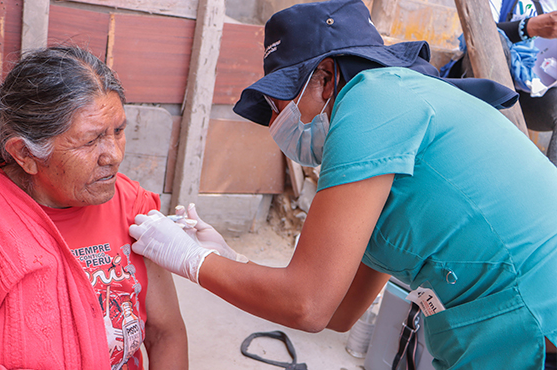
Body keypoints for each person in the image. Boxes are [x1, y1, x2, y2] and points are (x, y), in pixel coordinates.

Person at [128, 1, 557, 369]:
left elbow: (308, 305)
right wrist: (229, 258)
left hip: (538, 318)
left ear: (327, 77)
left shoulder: (373, 100)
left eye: (281, 104)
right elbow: (339, 311)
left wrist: (192, 259)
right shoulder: (395, 127)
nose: (277, 123)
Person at [0, 46, 188, 370]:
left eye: (118, 131)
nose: (113, 154)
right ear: (25, 154)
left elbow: (165, 333)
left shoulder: (130, 205)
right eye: (90, 140)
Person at [443, 0, 557, 165]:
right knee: (495, 39)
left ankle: (550, 187)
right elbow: (478, 34)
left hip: (529, 98)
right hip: (481, 80)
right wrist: (528, 27)